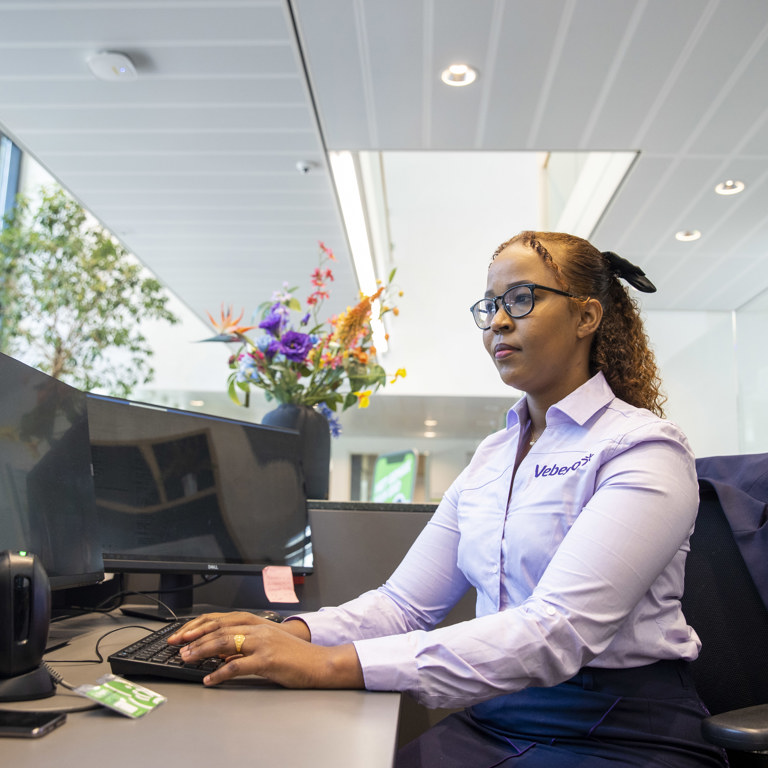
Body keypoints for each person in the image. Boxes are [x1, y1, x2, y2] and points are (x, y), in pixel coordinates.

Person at [169, 231, 727, 767]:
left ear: (586, 316)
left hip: (619, 730)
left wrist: (329, 664)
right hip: (495, 716)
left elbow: (557, 631)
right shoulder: (492, 456)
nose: (500, 321)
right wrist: (289, 634)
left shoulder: (643, 447)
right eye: (490, 305)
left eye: (522, 298)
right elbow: (404, 606)